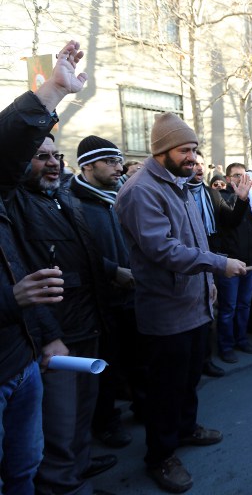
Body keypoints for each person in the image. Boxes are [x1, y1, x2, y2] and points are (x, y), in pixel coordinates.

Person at [116, 112, 247, 493]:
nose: (192, 157)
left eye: (194, 150)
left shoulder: (179, 184)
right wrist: (219, 264)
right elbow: (164, 250)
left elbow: (197, 240)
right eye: (184, 150)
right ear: (162, 151)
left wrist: (210, 283)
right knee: (165, 389)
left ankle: (186, 429)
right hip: (166, 310)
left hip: (194, 305)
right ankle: (160, 456)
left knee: (189, 378)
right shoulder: (141, 191)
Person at [0, 39, 79, 495]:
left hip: (21, 356)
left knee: (23, 470)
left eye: (56, 156)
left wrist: (51, 91)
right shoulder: (21, 199)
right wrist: (11, 300)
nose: (51, 163)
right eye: (41, 155)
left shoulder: (57, 198)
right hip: (25, 345)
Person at [70, 135, 136, 448]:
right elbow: (78, 252)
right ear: (87, 165)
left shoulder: (117, 196)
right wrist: (113, 271)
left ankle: (141, 404)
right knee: (104, 366)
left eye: (118, 160)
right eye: (110, 161)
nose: (118, 167)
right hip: (98, 301)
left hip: (129, 295)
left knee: (134, 358)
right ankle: (106, 423)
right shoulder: (72, 203)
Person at [211, 163, 252, 364]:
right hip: (230, 261)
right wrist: (242, 200)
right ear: (228, 178)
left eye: (244, 174)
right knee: (228, 306)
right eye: (236, 175)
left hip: (250, 261)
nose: (241, 178)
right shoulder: (220, 197)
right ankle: (226, 345)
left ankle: (241, 339)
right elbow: (230, 221)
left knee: (244, 304)